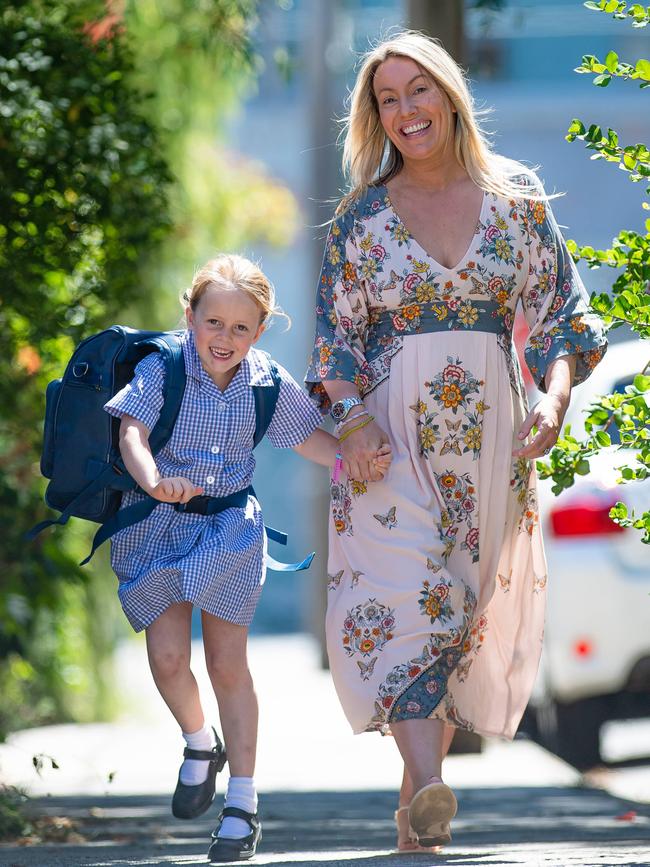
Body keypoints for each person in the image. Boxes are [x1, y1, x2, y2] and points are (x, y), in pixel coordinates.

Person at [305, 31, 607, 852]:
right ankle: (433, 783)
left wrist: (554, 400)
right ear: (376, 115)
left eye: (417, 91)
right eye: (387, 99)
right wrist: (356, 421)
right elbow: (334, 341)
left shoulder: (518, 199)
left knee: (456, 618)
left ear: (449, 94)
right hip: (388, 439)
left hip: (491, 441)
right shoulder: (363, 217)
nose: (405, 111)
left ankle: (417, 816)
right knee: (412, 603)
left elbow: (563, 321)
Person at [104, 252, 392, 862]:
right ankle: (199, 740)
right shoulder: (164, 369)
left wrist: (353, 461)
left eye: (240, 328)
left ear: (258, 331)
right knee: (167, 658)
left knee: (229, 666)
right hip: (157, 525)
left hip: (231, 533)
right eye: (214, 323)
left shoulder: (264, 380)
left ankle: (242, 804)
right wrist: (154, 479)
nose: (225, 339)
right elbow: (130, 430)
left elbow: (308, 435)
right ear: (191, 316)